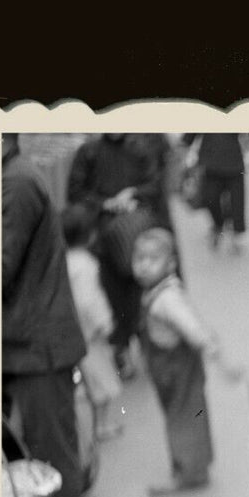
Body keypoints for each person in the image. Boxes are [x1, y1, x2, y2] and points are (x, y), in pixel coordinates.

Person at [2, 132, 87, 497]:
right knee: (44, 437)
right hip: (25, 339)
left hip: (37, 342)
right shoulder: (12, 176)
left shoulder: (14, 183)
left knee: (50, 442)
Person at [131, 228, 242, 497]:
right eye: (139, 258)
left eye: (152, 259)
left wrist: (216, 354)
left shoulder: (166, 298)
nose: (144, 265)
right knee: (188, 414)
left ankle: (190, 472)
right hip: (172, 369)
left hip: (176, 370)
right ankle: (195, 467)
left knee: (183, 418)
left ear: (171, 264)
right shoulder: (158, 291)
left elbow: (191, 327)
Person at [66, 133, 176, 377]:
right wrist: (104, 204)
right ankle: (121, 350)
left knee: (142, 295)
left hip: (138, 235)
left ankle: (148, 346)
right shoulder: (89, 152)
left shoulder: (140, 148)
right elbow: (76, 191)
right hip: (105, 241)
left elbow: (155, 184)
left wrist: (133, 194)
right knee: (114, 296)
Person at [60, 204, 124, 440]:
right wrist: (104, 323)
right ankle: (101, 425)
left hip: (71, 328)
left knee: (88, 379)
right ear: (90, 235)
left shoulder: (64, 261)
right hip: (90, 332)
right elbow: (89, 300)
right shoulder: (86, 264)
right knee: (102, 380)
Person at [181, 133, 249, 252]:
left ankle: (235, 233)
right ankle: (218, 224)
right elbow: (190, 135)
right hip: (210, 165)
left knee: (237, 202)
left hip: (234, 164)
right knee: (210, 199)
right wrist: (185, 147)